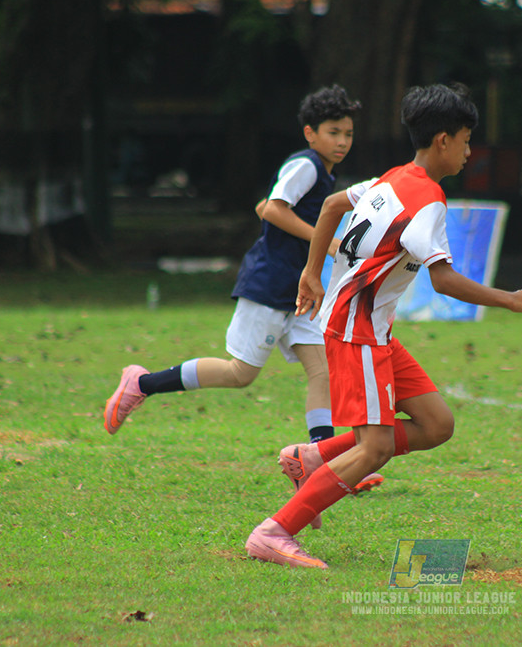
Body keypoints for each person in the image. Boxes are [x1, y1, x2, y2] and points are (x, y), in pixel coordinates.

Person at [244, 83, 522, 569]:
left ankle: (309, 459)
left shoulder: (392, 178)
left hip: (371, 328)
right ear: (444, 140)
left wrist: (311, 270)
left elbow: (330, 207)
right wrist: (508, 300)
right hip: (356, 330)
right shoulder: (428, 199)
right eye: (467, 141)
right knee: (375, 449)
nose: (471, 152)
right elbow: (443, 280)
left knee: (436, 424)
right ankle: (274, 532)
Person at [102, 86, 380, 491]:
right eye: (333, 132)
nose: (342, 141)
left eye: (348, 134)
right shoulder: (305, 166)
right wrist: (327, 239)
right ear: (310, 133)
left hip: (301, 291)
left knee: (323, 370)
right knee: (240, 374)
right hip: (271, 284)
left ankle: (321, 459)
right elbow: (269, 208)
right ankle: (141, 383)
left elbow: (271, 208)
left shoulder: (323, 171)